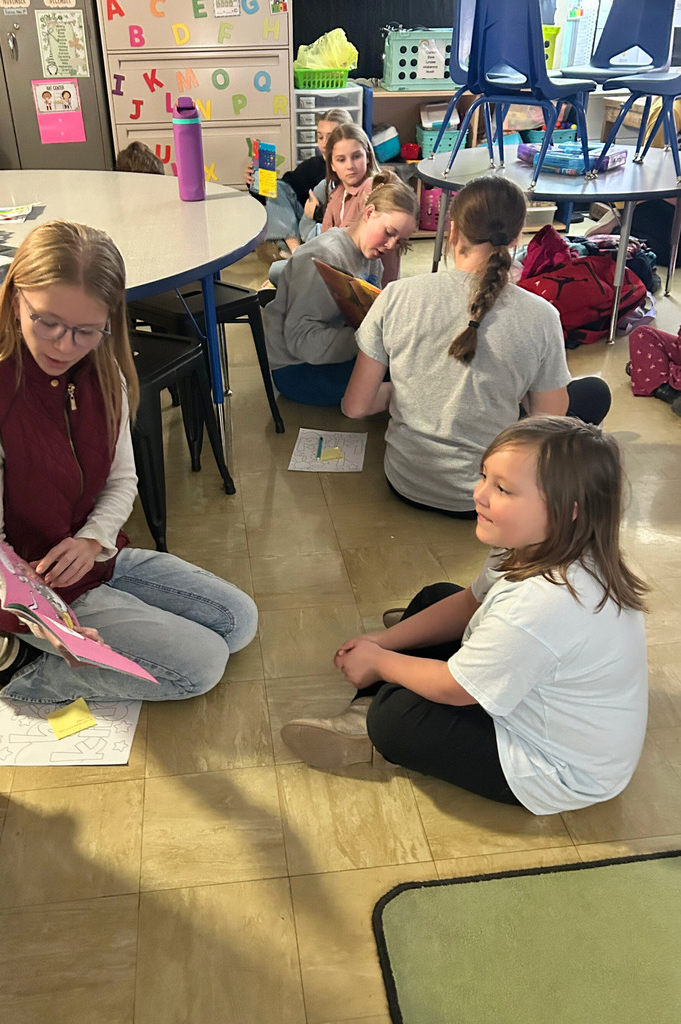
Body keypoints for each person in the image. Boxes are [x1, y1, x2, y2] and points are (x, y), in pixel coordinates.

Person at [0, 220, 257, 704]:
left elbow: (122, 480)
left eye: (87, 330)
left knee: (239, 621)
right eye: (48, 322)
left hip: (99, 559)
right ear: (15, 298)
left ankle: (106, 626)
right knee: (202, 666)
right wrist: (55, 626)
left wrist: (92, 539)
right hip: (34, 593)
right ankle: (24, 669)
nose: (65, 346)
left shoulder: (107, 376)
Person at [282, 416, 649, 816]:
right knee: (436, 597)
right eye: (484, 477)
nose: (479, 494)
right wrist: (382, 642)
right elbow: (470, 603)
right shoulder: (539, 543)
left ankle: (369, 724)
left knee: (395, 716)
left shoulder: (544, 605)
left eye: (503, 489)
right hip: (544, 705)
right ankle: (375, 700)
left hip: (556, 770)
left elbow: (458, 690)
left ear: (568, 511)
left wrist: (382, 662)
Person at [342, 174, 612, 518]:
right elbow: (548, 423)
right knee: (594, 393)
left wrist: (412, 387)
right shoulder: (542, 316)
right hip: (488, 498)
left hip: (406, 482)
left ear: (453, 231)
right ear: (516, 238)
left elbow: (356, 406)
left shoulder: (397, 296)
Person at [264, 178, 419, 406]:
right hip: (296, 368)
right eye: (388, 232)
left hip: (333, 349)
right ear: (369, 213)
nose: (390, 246)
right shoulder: (322, 257)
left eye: (400, 241)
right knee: (407, 384)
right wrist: (368, 341)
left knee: (411, 364)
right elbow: (301, 341)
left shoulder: (372, 257)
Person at [247, 107, 353, 261]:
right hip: (301, 223)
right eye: (320, 137)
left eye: (330, 137)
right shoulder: (313, 165)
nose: (323, 144)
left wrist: (316, 214)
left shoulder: (349, 170)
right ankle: (294, 249)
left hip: (322, 227)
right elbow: (279, 194)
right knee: (278, 189)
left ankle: (292, 253)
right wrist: (255, 183)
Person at [319, 123, 404, 285]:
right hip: (347, 276)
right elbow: (325, 242)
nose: (350, 165)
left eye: (356, 156)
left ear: (368, 157)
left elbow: (344, 248)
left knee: (283, 271)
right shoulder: (338, 193)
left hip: (369, 287)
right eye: (341, 160)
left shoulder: (371, 190)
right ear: (332, 165)